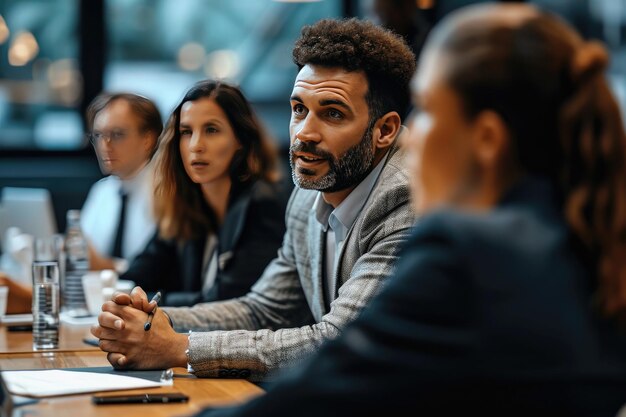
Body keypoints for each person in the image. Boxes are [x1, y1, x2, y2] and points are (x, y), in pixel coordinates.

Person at [188, 3, 626, 416]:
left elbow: (325, 387)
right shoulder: (591, 242)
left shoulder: (468, 253)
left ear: (487, 139)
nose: (413, 139)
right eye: (298, 109)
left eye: (429, 111)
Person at [91, 18, 416, 380]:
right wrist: (153, 320)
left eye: (333, 113)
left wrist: (178, 347)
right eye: (298, 109)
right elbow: (263, 310)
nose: (305, 132)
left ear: (385, 129)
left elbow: (340, 342)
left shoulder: (405, 202)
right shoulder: (307, 198)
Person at [120, 80, 288, 306]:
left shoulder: (262, 204)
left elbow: (226, 302)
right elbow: (134, 278)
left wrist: (150, 302)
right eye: (187, 132)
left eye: (211, 130)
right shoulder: (186, 203)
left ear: (241, 139)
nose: (196, 145)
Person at [82, 93, 163, 272]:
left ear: (148, 140)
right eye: (98, 135)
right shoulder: (101, 191)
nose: (104, 145)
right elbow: (84, 254)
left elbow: (162, 271)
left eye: (117, 134)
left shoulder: (167, 193)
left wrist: (108, 267)